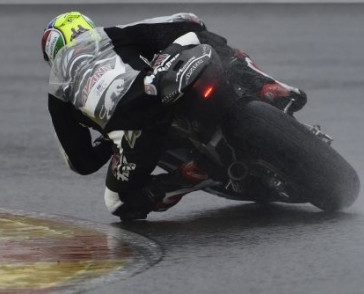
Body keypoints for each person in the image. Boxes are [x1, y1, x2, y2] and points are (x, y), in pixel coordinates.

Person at [40, 11, 306, 220]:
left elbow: (81, 162)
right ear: (86, 26)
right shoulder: (111, 35)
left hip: (133, 130)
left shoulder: (57, 92)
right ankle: (267, 86)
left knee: (119, 202)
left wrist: (110, 141)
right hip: (158, 86)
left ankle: (191, 174)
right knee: (198, 37)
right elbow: (185, 21)